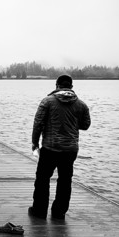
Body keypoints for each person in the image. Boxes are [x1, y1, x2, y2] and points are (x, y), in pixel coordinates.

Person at [29, 74, 91, 220]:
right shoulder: (81, 105)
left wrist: (34, 143)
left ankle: (39, 210)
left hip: (50, 148)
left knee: (42, 179)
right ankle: (59, 212)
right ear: (71, 87)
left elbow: (38, 123)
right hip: (70, 150)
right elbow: (85, 125)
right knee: (65, 180)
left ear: (56, 86)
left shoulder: (47, 101)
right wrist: (72, 122)